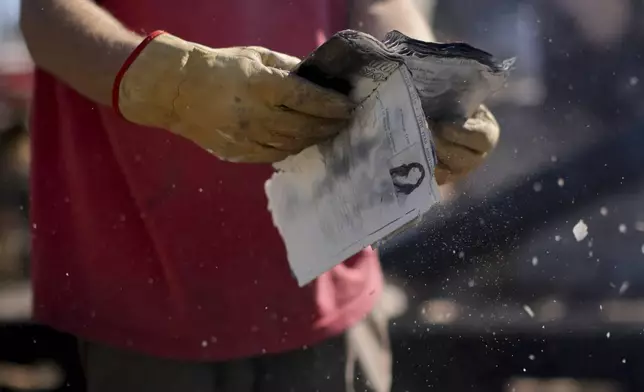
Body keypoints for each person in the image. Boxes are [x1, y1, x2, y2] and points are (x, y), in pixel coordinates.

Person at [20, 0, 500, 390]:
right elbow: (44, 13)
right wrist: (174, 84)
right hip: (143, 286)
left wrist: (427, 85)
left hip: (331, 278)